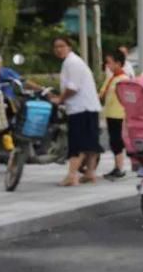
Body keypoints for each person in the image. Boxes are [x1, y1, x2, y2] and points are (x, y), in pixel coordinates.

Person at [49, 36, 103, 187]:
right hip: (89, 107)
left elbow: (72, 87)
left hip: (80, 108)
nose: (59, 49)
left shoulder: (71, 63)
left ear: (69, 47)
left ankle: (72, 176)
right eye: (56, 47)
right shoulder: (74, 61)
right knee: (90, 143)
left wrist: (60, 99)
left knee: (77, 143)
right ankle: (90, 173)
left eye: (62, 46)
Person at [99, 50, 129, 180]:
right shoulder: (112, 78)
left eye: (109, 63)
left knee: (117, 141)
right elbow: (102, 94)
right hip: (110, 114)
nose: (107, 66)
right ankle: (117, 166)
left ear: (118, 63)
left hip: (119, 115)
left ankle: (120, 167)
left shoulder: (124, 79)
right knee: (113, 140)